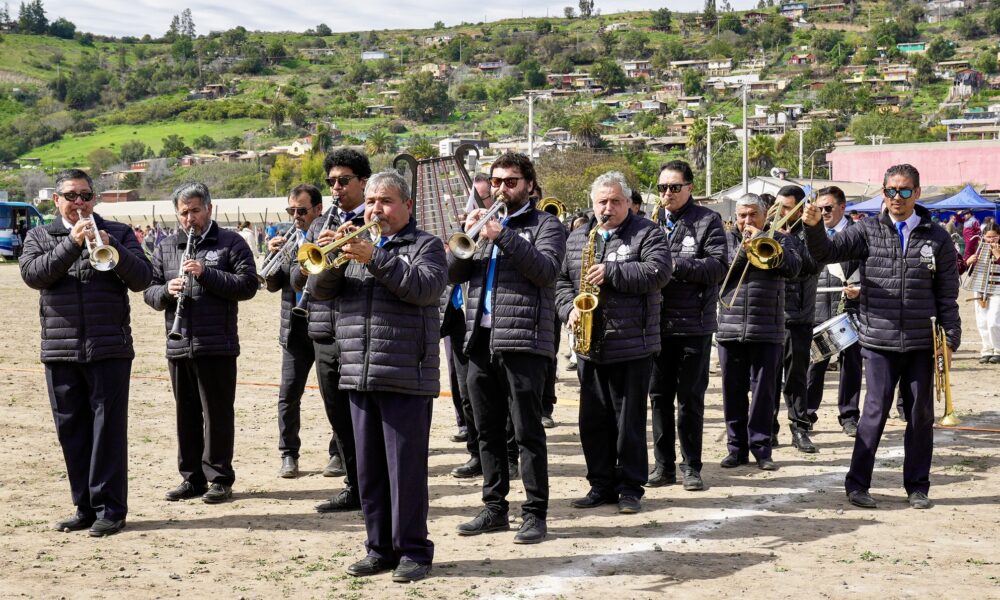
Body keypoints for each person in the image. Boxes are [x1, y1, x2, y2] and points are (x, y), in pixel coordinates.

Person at [308, 171, 446, 583]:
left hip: (406, 372)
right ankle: (379, 548)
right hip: (358, 370)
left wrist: (376, 257)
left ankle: (414, 552)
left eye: (384, 201)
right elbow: (317, 290)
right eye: (370, 202)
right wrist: (336, 254)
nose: (375, 209)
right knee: (369, 472)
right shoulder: (354, 246)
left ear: (406, 205)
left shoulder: (427, 246)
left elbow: (424, 288)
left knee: (405, 471)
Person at [802, 164, 961, 510]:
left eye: (904, 191)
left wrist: (950, 339)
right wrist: (813, 227)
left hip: (921, 341)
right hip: (877, 341)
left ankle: (918, 486)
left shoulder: (938, 237)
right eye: (890, 191)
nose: (896, 198)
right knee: (873, 411)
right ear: (883, 192)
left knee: (921, 416)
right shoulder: (867, 231)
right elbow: (825, 253)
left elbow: (948, 294)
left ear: (917, 193)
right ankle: (857, 484)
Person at [19, 169, 152, 537]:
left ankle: (110, 508)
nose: (79, 203)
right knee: (72, 431)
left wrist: (115, 246)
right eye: (71, 196)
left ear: (94, 199)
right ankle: (84, 507)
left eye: (85, 195)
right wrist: (72, 244)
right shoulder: (40, 235)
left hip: (110, 347)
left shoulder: (120, 232)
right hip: (60, 350)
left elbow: (143, 279)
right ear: (56, 201)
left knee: (108, 430)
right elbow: (33, 275)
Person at [449, 152, 566, 545]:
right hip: (479, 340)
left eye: (511, 181)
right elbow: (455, 275)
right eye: (496, 182)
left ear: (530, 186)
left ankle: (535, 513)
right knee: (486, 431)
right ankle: (495, 507)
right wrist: (464, 243)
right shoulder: (482, 225)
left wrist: (505, 236)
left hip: (524, 341)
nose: (501, 189)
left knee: (527, 432)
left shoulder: (546, 224)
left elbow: (546, 271)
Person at [557, 172, 672, 514]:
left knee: (628, 421)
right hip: (589, 343)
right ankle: (601, 484)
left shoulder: (648, 233)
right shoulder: (579, 237)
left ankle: (631, 487)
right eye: (602, 202)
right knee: (593, 420)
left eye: (615, 201)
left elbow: (659, 272)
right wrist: (568, 310)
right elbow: (561, 281)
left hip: (632, 343)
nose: (608, 208)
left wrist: (612, 272)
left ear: (627, 203)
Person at [144, 182, 259, 505]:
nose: (190, 218)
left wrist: (206, 274)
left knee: (218, 414)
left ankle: (219, 477)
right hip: (179, 342)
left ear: (209, 208)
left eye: (195, 210)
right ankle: (191, 477)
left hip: (217, 343)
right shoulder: (166, 246)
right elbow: (149, 292)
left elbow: (248, 285)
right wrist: (167, 290)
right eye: (184, 213)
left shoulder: (230, 242)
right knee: (187, 414)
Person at [290, 148, 371, 512]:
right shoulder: (319, 225)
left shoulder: (375, 219)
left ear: (363, 182)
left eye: (343, 181)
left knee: (364, 419)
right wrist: (315, 256)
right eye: (332, 182)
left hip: (360, 330)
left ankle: (372, 487)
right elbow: (294, 276)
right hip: (324, 331)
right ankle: (353, 486)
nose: (336, 188)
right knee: (338, 417)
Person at [647, 160, 728, 491]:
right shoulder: (651, 223)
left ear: (689, 188)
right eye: (662, 188)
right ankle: (663, 465)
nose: (667, 193)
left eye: (674, 187)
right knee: (658, 397)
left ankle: (691, 465)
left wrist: (674, 264)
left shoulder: (708, 221)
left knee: (690, 398)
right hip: (655, 324)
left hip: (693, 323)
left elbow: (718, 266)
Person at [717, 193, 802, 471]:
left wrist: (770, 241)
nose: (747, 220)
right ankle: (736, 449)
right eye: (742, 215)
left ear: (765, 216)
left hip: (767, 328)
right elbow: (724, 270)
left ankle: (762, 449)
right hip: (730, 329)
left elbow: (794, 268)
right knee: (733, 392)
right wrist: (746, 247)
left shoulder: (782, 238)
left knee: (764, 393)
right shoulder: (727, 239)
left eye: (753, 214)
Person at [264, 184, 336, 477]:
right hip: (294, 328)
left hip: (324, 325)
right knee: (288, 393)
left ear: (318, 210)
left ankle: (338, 453)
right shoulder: (290, 239)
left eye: (301, 211)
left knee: (332, 394)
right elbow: (273, 283)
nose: (296, 216)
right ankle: (288, 454)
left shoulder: (327, 234)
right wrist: (272, 258)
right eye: (291, 210)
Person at [805, 186, 862, 436]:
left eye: (828, 208)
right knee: (815, 364)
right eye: (820, 208)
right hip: (817, 308)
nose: (824, 213)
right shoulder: (810, 231)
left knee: (851, 365)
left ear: (842, 207)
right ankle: (806, 415)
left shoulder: (859, 233)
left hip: (851, 308)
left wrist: (862, 290)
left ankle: (849, 416)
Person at [770, 185, 822, 453]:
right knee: (766, 379)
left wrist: (787, 241)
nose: (780, 212)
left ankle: (800, 428)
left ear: (800, 208)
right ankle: (768, 430)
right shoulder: (766, 228)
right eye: (778, 206)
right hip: (769, 315)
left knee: (796, 377)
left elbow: (810, 266)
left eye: (787, 207)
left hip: (798, 315)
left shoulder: (811, 232)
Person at [967, 223, 1000, 364]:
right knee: (982, 322)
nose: (991, 240)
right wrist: (969, 260)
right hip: (980, 287)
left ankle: (998, 350)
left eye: (995, 237)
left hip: (997, 289)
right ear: (983, 236)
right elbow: (965, 261)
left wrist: (998, 255)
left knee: (994, 322)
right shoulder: (977, 247)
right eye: (988, 237)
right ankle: (987, 350)